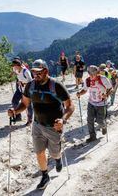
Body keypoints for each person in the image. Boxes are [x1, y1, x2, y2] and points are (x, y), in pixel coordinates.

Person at [7, 59, 74, 190]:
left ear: (46, 71)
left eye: (38, 72)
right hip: (37, 125)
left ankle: (58, 158)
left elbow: (70, 106)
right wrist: (15, 111)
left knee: (54, 153)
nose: (35, 75)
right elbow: (25, 104)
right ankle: (45, 176)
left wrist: (63, 120)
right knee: (39, 152)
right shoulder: (30, 85)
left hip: (54, 127)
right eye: (33, 72)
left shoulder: (56, 86)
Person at [77, 66, 112, 142]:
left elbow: (110, 88)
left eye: (94, 73)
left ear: (97, 72)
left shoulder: (103, 79)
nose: (92, 75)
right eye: (90, 73)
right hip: (91, 102)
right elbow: (85, 90)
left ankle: (104, 126)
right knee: (90, 120)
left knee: (99, 121)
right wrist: (80, 93)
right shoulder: (88, 80)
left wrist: (106, 94)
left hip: (101, 103)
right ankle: (92, 136)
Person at [11, 58, 34, 126]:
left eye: (14, 66)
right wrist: (19, 82)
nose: (13, 67)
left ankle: (29, 120)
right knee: (14, 101)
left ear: (18, 65)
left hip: (27, 91)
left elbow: (31, 82)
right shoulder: (16, 70)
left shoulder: (26, 72)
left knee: (29, 106)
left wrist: (23, 83)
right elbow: (18, 76)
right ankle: (18, 116)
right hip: (20, 89)